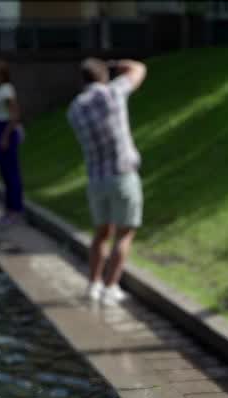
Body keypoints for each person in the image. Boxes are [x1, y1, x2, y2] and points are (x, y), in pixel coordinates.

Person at [66, 57, 147, 305]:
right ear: (104, 76)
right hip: (122, 174)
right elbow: (140, 69)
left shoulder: (75, 108)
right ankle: (111, 288)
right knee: (124, 233)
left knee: (101, 233)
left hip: (96, 179)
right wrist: (119, 65)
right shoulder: (113, 94)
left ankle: (93, 284)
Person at [0, 60, 24, 222]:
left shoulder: (7, 91)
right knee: (4, 172)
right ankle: (9, 208)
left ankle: (16, 209)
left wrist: (5, 136)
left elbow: (14, 114)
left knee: (11, 172)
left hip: (5, 131)